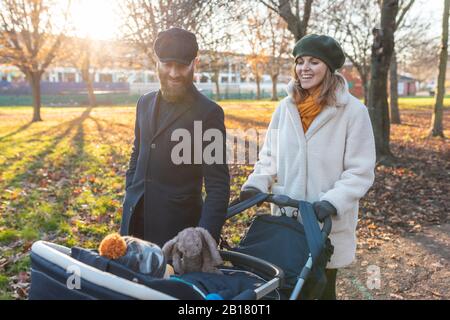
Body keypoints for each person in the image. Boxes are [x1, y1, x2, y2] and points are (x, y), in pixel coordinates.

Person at [235, 34, 376, 300]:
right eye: (300, 62)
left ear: (329, 69)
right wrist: (256, 183)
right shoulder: (285, 108)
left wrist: (332, 202)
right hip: (287, 219)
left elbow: (360, 170)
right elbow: (269, 155)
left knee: (321, 290)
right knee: (287, 289)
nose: (305, 68)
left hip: (324, 222)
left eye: (314, 62)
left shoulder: (353, 112)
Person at [120, 27, 230, 248]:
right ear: (156, 64)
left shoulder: (208, 113)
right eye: (167, 65)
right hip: (133, 223)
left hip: (177, 234)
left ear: (194, 64)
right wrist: (130, 190)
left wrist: (204, 238)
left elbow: (218, 185)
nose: (173, 73)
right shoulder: (144, 103)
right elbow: (137, 152)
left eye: (181, 66)